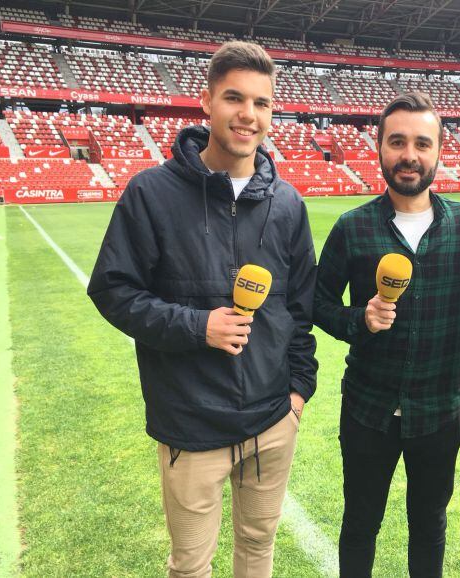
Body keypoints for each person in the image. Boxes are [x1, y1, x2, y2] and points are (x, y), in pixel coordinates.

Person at [87, 41, 317, 578]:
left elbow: (300, 308)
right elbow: (113, 290)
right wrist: (198, 326)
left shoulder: (287, 204)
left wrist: (298, 394)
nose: (248, 114)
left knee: (258, 548)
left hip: (270, 420)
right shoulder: (151, 193)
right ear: (207, 103)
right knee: (191, 566)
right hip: (190, 425)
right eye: (235, 98)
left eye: (262, 103)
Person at [314, 92, 460, 578]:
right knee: (360, 523)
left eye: (421, 143)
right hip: (367, 408)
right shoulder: (352, 228)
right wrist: (359, 320)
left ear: (438, 152)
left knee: (430, 525)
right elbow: (316, 302)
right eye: (397, 141)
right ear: (379, 147)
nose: (408, 155)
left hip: (438, 409)